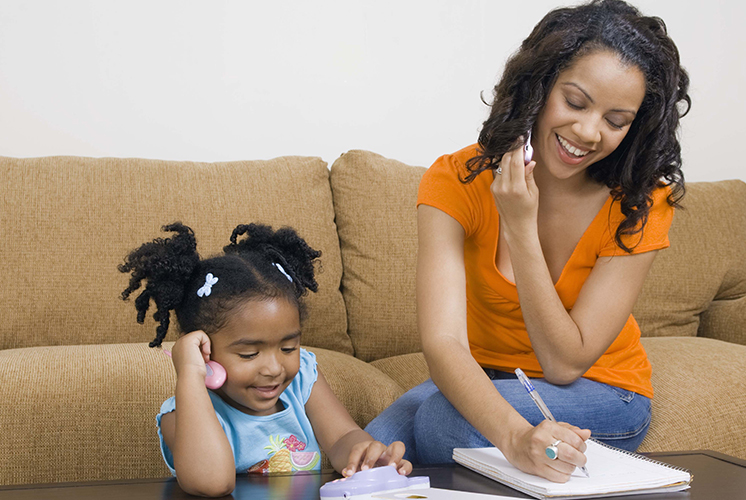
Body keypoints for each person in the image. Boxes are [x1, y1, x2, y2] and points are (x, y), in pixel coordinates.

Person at [366, 0, 690, 484]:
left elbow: (563, 363)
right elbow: (444, 341)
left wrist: (519, 227)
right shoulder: (455, 180)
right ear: (538, 86)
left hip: (601, 388)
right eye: (576, 102)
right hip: (495, 374)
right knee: (371, 449)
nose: (587, 131)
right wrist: (510, 432)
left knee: (440, 422)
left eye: (616, 121)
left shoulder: (640, 202)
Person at [120, 222, 412, 497]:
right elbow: (212, 483)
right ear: (203, 350)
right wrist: (189, 375)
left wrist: (365, 455)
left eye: (288, 348)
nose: (274, 369)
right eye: (249, 354)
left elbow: (341, 437)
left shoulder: (302, 379)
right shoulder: (183, 412)